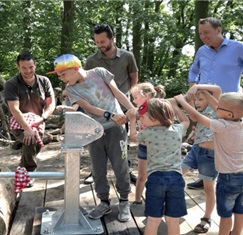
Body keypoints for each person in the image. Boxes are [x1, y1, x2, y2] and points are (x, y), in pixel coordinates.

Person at [47, 54, 135, 222]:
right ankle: (104, 202)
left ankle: (124, 201)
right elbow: (88, 107)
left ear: (75, 69)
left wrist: (131, 110)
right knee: (97, 168)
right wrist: (110, 115)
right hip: (94, 130)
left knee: (120, 165)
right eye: (58, 75)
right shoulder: (71, 89)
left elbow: (117, 93)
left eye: (63, 73)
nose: (61, 78)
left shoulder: (100, 72)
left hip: (116, 129)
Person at [187, 16, 243, 190]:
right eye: (200, 33)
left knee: (228, 142)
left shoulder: (238, 48)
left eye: (206, 32)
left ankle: (236, 176)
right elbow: (193, 70)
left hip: (228, 105)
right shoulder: (202, 51)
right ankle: (205, 177)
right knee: (203, 139)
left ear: (218, 30)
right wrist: (193, 87)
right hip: (203, 102)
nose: (203, 36)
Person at [176, 86, 243, 235]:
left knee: (225, 214)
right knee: (240, 208)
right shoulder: (240, 121)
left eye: (220, 107)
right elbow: (218, 106)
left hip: (228, 178)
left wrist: (181, 101)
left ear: (229, 114)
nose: (216, 108)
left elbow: (197, 117)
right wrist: (204, 92)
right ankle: (236, 233)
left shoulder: (221, 126)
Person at [84, 23, 139, 184]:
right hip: (99, 110)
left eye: (103, 41)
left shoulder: (128, 56)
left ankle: (125, 171)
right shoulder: (92, 61)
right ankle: (95, 172)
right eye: (97, 42)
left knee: (122, 143)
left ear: (112, 39)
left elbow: (134, 78)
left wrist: (130, 100)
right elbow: (86, 83)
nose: (100, 45)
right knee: (96, 142)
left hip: (122, 108)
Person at [127, 98, 190, 235]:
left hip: (156, 179)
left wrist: (132, 120)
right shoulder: (177, 129)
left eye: (143, 117)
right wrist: (176, 107)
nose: (141, 120)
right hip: (176, 178)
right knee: (173, 220)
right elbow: (186, 121)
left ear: (154, 119)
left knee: (153, 219)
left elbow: (132, 137)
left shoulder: (147, 133)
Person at [4, 52, 55, 187]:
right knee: (30, 140)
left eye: (30, 67)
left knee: (32, 146)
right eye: (24, 68)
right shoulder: (11, 84)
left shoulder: (44, 81)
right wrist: (27, 128)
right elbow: (14, 109)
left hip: (39, 120)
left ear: (35, 66)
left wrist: (43, 118)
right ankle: (29, 174)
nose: (28, 71)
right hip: (19, 122)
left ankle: (21, 170)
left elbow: (51, 103)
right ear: (18, 67)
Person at [180, 84, 221, 234]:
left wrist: (197, 87)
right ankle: (173, 205)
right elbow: (193, 117)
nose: (197, 102)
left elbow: (217, 89)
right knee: (177, 174)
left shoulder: (215, 108)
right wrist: (190, 102)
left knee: (208, 188)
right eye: (196, 100)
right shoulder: (200, 110)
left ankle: (206, 218)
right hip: (196, 150)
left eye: (200, 99)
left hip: (210, 154)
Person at [129, 82, 166, 205]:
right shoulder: (138, 111)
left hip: (158, 148)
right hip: (144, 147)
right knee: (141, 176)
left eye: (135, 97)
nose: (134, 101)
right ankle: (138, 200)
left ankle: (158, 201)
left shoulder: (158, 108)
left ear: (146, 96)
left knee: (157, 176)